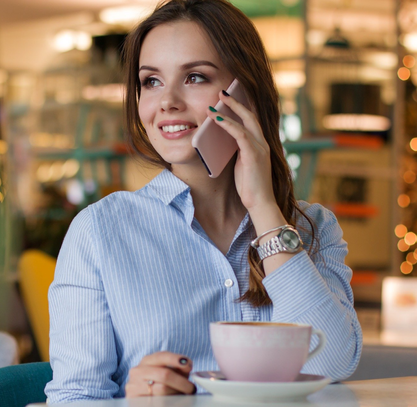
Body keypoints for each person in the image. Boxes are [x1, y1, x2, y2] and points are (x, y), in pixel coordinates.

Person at [45, 0, 362, 403]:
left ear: (244, 91)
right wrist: (129, 399)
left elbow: (332, 363)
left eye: (194, 77)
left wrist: (264, 207)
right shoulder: (100, 231)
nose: (167, 102)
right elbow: (72, 397)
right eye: (151, 81)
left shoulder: (312, 226)